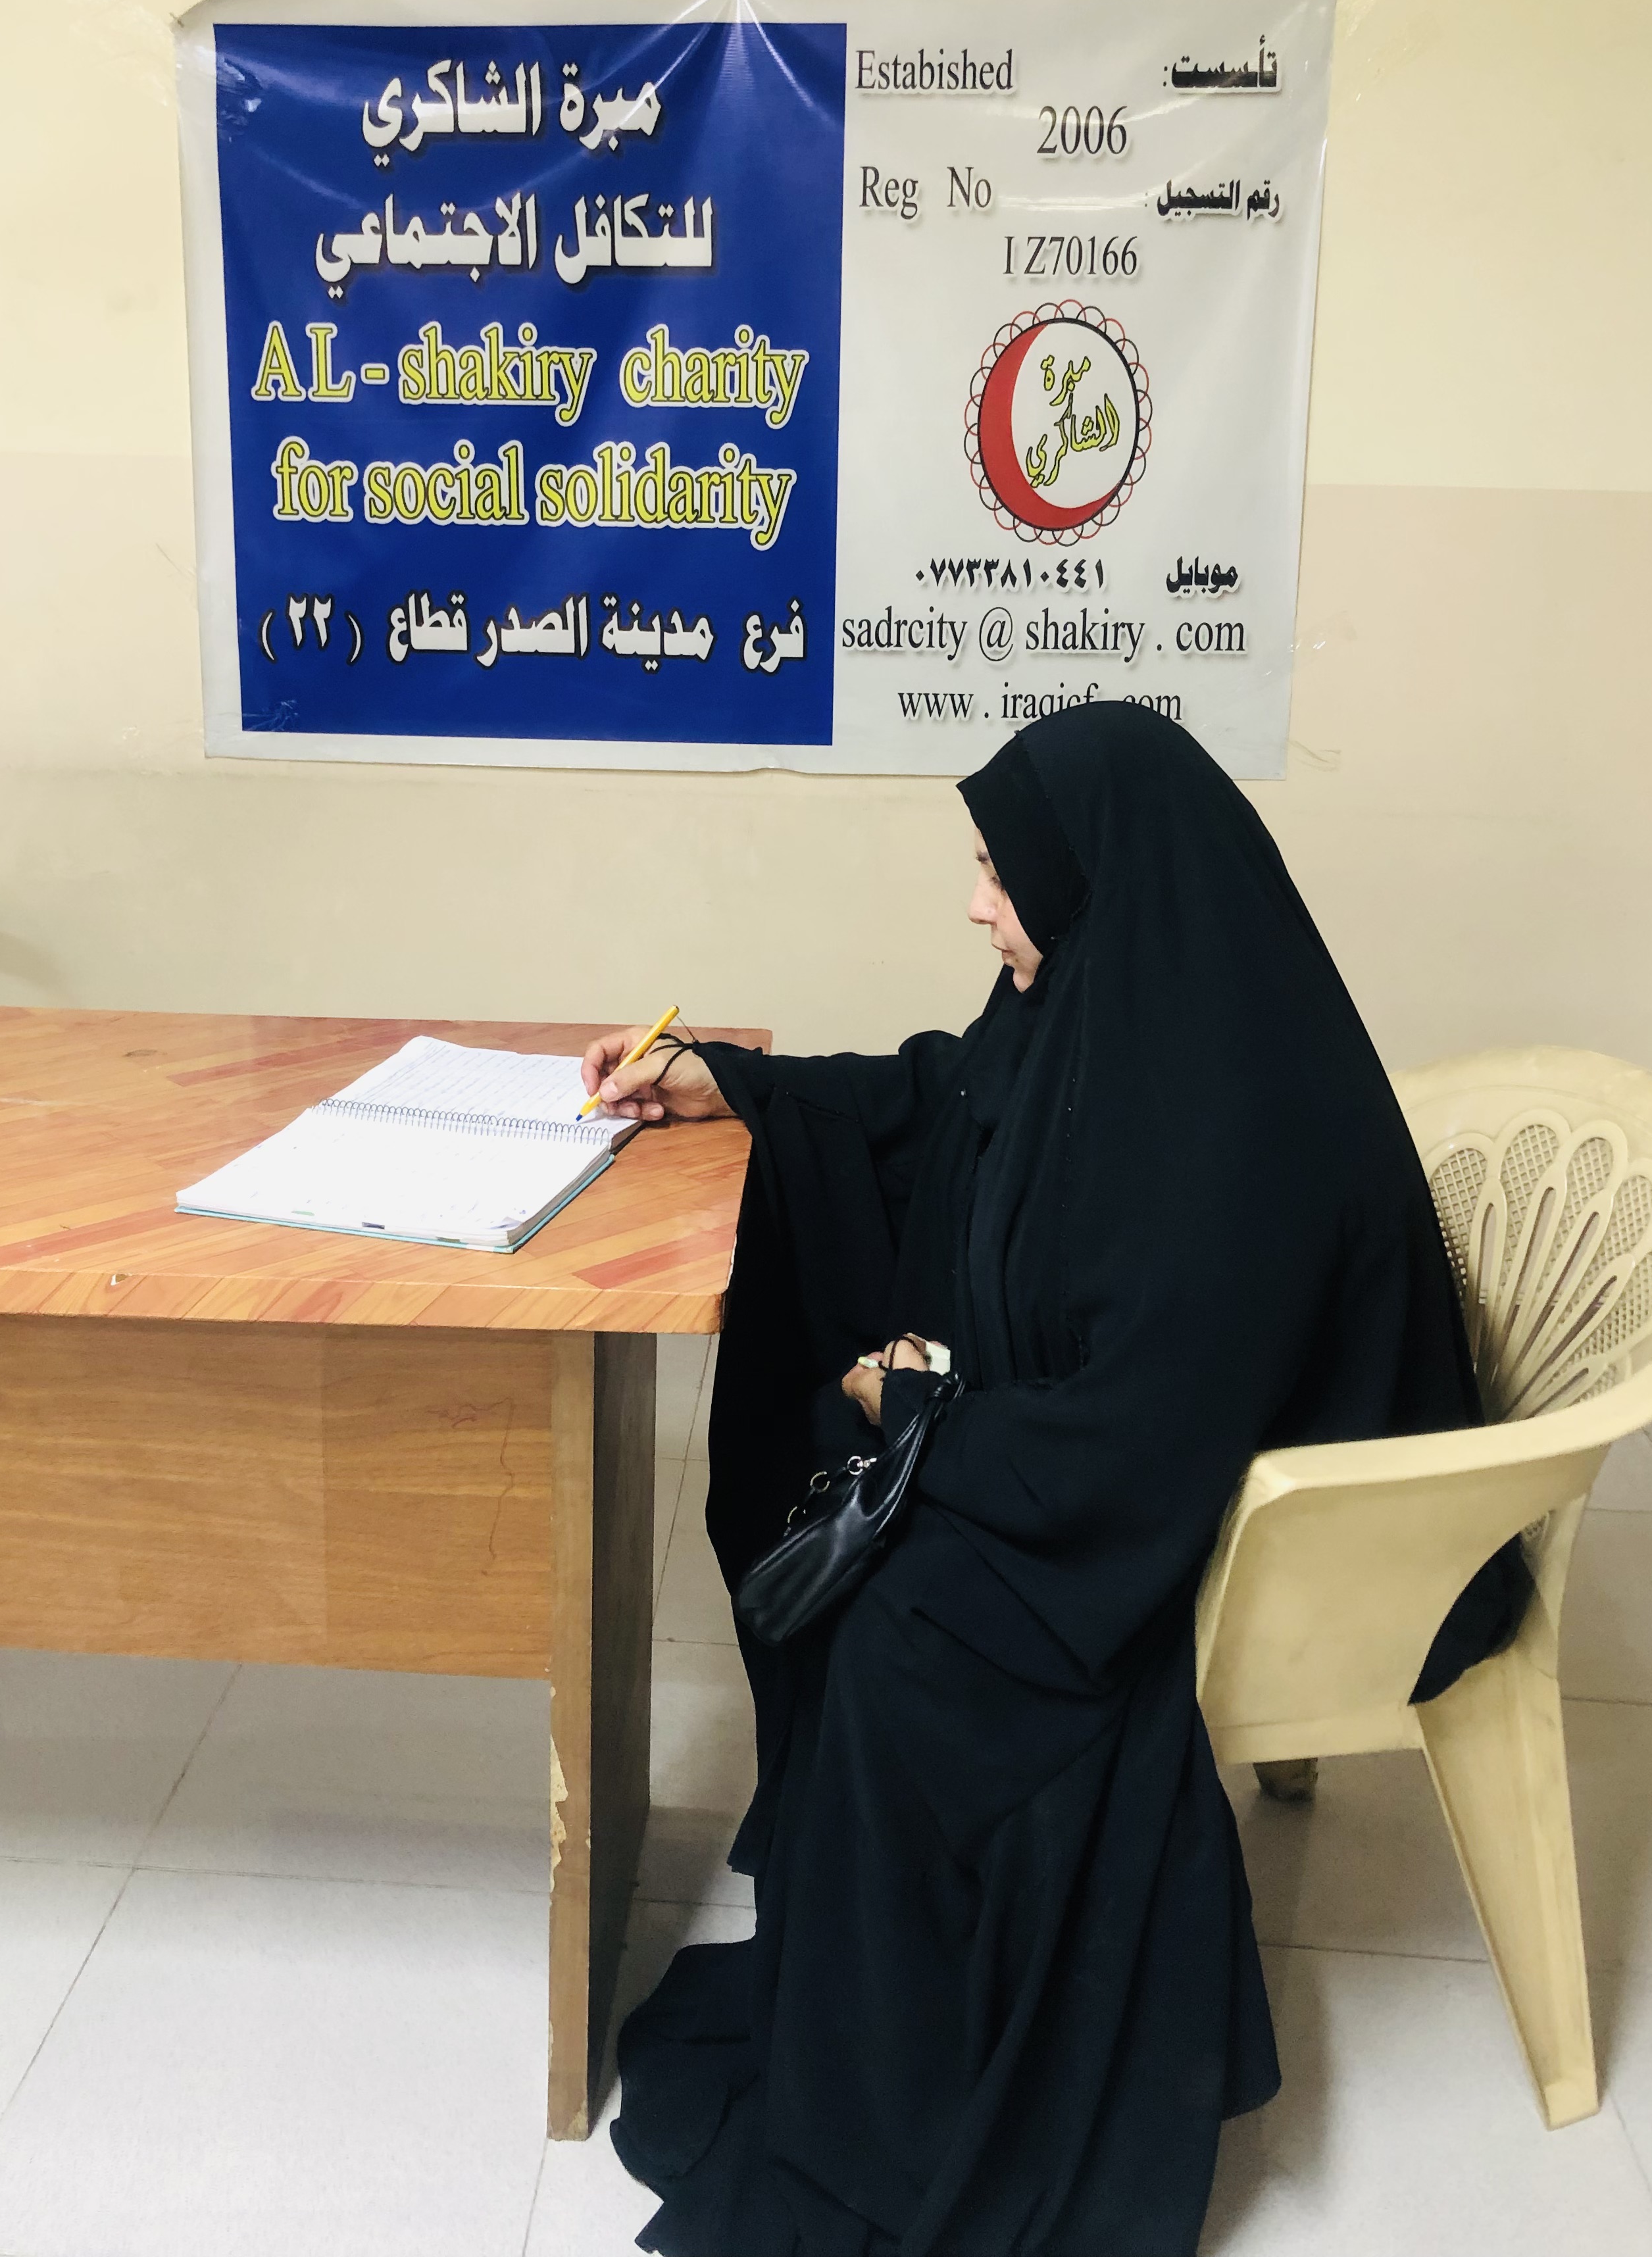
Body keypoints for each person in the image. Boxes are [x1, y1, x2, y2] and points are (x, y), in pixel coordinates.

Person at [580, 703, 1529, 2257]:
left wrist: (919, 1404)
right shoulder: (1111, 1000)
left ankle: (905, 2101)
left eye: (997, 872)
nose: (976, 905)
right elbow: (948, 1101)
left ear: (1089, 879)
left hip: (1276, 1519)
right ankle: (865, 2008)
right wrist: (733, 1087)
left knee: (905, 1630)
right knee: (842, 1480)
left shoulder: (1240, 1124)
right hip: (1154, 1440)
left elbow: (1149, 1433)